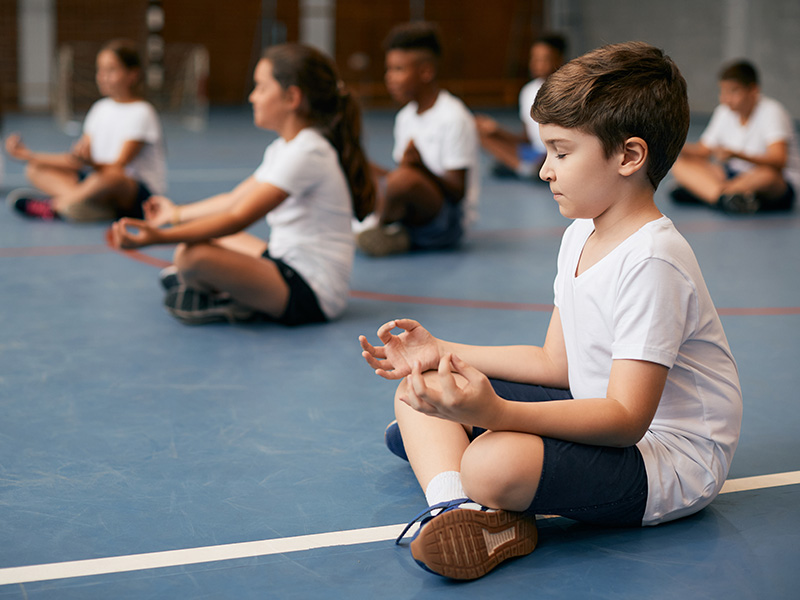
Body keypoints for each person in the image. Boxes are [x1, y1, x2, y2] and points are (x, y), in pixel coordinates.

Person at [359, 41, 742, 580]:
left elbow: (627, 419)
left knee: (491, 460)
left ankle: (477, 490)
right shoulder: (581, 232)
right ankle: (460, 509)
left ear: (629, 157)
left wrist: (496, 415)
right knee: (421, 388)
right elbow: (553, 362)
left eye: (562, 152)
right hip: (596, 410)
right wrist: (440, 350)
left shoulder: (654, 260)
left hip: (665, 461)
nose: (544, 170)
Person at [110, 43, 374, 326]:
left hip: (310, 294)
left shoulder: (308, 152)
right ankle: (215, 284)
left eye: (260, 88)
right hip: (283, 264)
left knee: (192, 255)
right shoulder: (285, 148)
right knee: (206, 237)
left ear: (292, 97)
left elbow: (237, 217)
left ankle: (223, 295)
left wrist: (157, 237)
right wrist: (173, 215)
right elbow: (234, 198)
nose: (252, 97)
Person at [5, 39, 166, 222]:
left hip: (133, 193)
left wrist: (89, 163)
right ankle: (87, 207)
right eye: (100, 70)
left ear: (132, 74)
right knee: (35, 169)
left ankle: (55, 206)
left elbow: (117, 167)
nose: (103, 76)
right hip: (96, 182)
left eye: (111, 70)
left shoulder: (142, 112)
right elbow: (77, 161)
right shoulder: (99, 109)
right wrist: (28, 155)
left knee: (111, 177)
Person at [356, 21, 480, 257]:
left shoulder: (453, 117)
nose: (389, 77)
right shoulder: (405, 117)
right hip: (416, 210)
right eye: (389, 69)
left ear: (426, 72)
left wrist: (420, 168)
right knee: (360, 166)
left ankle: (377, 227)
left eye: (398, 69)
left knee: (404, 180)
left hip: (446, 222)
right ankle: (395, 232)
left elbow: (457, 192)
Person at [670, 60, 799, 214]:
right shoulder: (724, 111)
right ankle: (726, 198)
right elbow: (703, 151)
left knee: (767, 175)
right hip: (733, 176)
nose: (726, 98)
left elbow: (779, 160)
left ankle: (710, 194)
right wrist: (673, 144)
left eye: (734, 91)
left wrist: (737, 155)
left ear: (753, 90)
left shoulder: (772, 111)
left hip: (772, 181)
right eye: (723, 92)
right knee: (681, 165)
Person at [475, 33, 567, 179]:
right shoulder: (527, 91)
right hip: (534, 152)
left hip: (554, 153)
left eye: (544, 59)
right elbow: (526, 139)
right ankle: (526, 168)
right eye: (534, 59)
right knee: (482, 134)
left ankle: (522, 167)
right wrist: (497, 130)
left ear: (559, 59)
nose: (537, 64)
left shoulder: (566, 90)